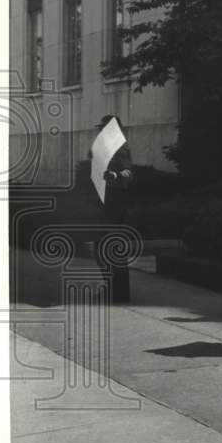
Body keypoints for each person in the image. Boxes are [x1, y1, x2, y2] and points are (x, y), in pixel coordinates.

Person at [93, 115, 133, 304]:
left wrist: (114, 174)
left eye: (103, 129)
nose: (101, 132)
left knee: (110, 247)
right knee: (102, 247)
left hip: (116, 204)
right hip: (107, 202)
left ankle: (118, 293)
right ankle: (113, 290)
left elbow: (128, 173)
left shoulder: (120, 147)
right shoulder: (107, 148)